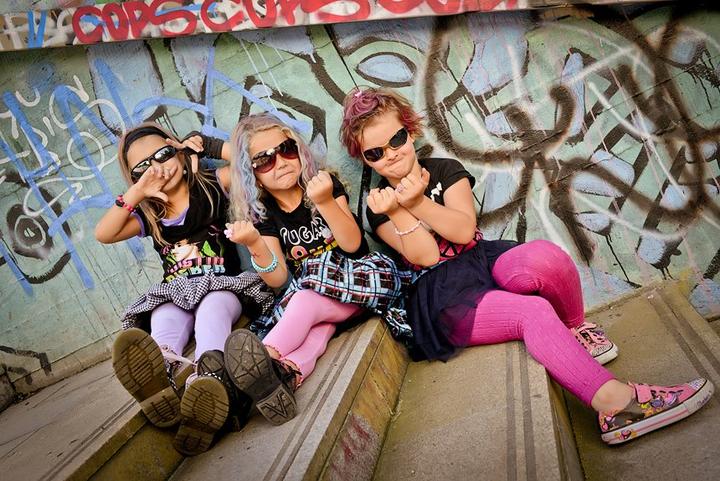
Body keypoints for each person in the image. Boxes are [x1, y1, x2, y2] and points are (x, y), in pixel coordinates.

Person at [339, 87, 714, 445]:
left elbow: (463, 230)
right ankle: (619, 407)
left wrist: (419, 201)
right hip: (442, 294)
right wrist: (402, 208)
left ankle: (576, 329)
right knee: (531, 312)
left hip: (478, 258)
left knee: (544, 257)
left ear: (410, 130)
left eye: (396, 139)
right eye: (375, 153)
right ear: (364, 158)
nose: (390, 155)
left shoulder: (443, 169)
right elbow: (426, 256)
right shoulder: (378, 205)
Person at [95, 122, 274, 455]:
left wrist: (207, 146)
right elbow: (103, 233)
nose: (158, 169)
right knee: (163, 314)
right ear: (135, 179)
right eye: (143, 169)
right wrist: (137, 193)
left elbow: (252, 165)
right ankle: (163, 368)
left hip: (223, 285)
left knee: (211, 310)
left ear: (177, 149)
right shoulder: (151, 214)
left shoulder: (212, 184)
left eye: (163, 154)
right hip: (176, 290)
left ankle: (208, 379)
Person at [222, 112, 407, 425]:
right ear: (251, 174)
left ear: (299, 150)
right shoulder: (264, 214)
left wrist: (324, 201)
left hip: (360, 282)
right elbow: (278, 278)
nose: (280, 162)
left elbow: (352, 244)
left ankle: (256, 366)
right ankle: (284, 375)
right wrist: (255, 243)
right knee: (317, 332)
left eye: (286, 149)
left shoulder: (322, 184)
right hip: (323, 307)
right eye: (264, 160)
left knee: (305, 297)